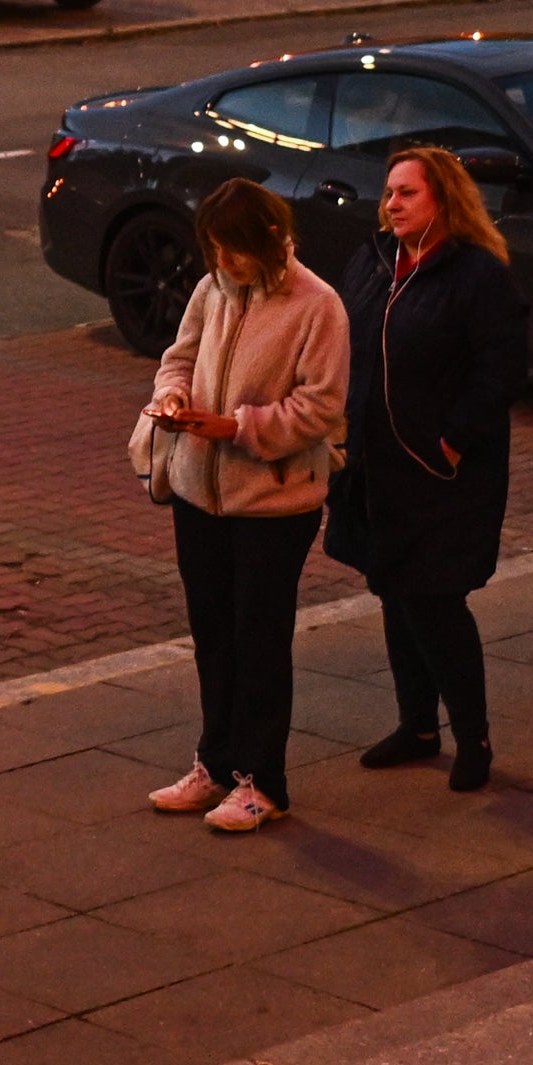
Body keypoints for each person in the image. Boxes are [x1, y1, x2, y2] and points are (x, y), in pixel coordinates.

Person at [136, 176, 347, 831]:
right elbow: (177, 359)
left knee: (259, 637)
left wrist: (241, 426)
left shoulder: (318, 305)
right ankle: (217, 762)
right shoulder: (211, 291)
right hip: (199, 491)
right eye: (215, 248)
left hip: (273, 501)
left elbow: (322, 404)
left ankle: (264, 779)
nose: (224, 262)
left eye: (234, 248)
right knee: (213, 633)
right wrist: (173, 400)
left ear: (266, 239)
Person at [327, 147, 528, 792]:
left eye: (407, 193)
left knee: (435, 600)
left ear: (444, 200)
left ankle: (474, 736)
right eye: (389, 193)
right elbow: (341, 340)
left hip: (442, 471)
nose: (392, 204)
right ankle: (417, 725)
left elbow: (499, 369)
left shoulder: (476, 274)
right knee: (392, 588)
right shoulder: (376, 260)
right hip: (375, 463)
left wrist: (453, 441)